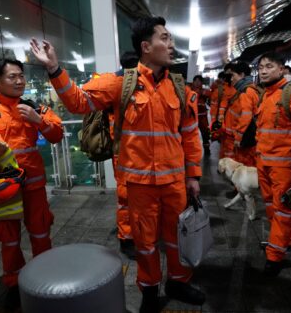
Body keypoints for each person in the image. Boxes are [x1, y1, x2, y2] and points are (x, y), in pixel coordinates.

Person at [30, 16, 205, 313]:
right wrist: (53, 68)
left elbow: (189, 134)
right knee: (146, 244)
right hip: (140, 186)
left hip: (175, 183)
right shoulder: (121, 83)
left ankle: (178, 281)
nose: (171, 44)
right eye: (165, 37)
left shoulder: (179, 88)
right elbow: (78, 102)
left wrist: (194, 175)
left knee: (178, 238)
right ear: (146, 46)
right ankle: (149, 292)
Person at [0, 59, 63, 309]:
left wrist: (37, 120)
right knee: (9, 238)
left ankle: (44, 278)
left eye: (21, 76)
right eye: (12, 77)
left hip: (33, 186)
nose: (19, 81)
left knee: (41, 232)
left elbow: (56, 135)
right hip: (2, 189)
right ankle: (13, 283)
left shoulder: (35, 108)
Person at [256, 52, 291, 276]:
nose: (263, 70)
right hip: (264, 163)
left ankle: (275, 258)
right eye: (261, 67)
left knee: (282, 211)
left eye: (269, 66)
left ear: (282, 70)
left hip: (284, 166)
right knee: (272, 207)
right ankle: (283, 241)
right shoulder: (265, 95)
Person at [114, 50, 139, 259]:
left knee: (128, 197)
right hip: (126, 152)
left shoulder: (115, 84)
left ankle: (130, 234)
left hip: (127, 151)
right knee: (126, 197)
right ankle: (127, 236)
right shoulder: (119, 85)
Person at [229, 61, 258, 167]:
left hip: (247, 138)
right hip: (252, 137)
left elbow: (246, 116)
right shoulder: (252, 89)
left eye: (233, 75)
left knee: (245, 168)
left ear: (241, 75)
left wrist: (238, 137)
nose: (231, 79)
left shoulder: (246, 92)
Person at [191, 74, 211, 154]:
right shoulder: (190, 90)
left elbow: (210, 95)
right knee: (191, 134)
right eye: (195, 81)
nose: (197, 83)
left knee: (205, 133)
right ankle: (191, 150)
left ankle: (207, 149)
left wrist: (202, 92)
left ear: (201, 82)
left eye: (199, 81)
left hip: (202, 116)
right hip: (192, 116)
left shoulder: (204, 90)